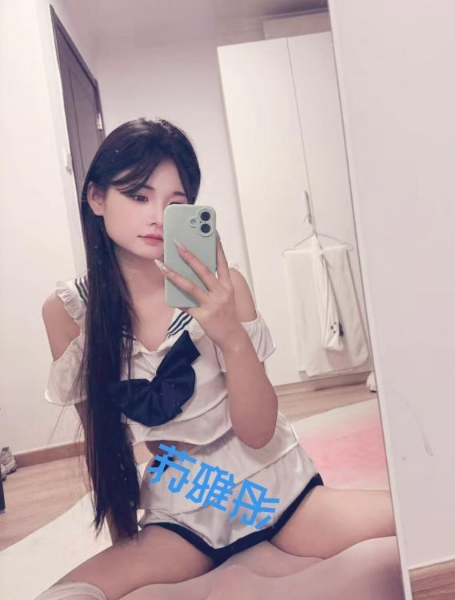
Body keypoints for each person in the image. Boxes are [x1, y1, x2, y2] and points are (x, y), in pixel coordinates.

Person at [37, 118, 398, 600]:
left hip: (272, 489)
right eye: (139, 196)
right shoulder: (69, 312)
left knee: (424, 515)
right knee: (67, 594)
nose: (157, 217)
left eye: (175, 204)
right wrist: (130, 541)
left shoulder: (225, 286)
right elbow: (105, 440)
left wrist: (229, 334)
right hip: (185, 506)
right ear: (97, 198)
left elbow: (258, 431)